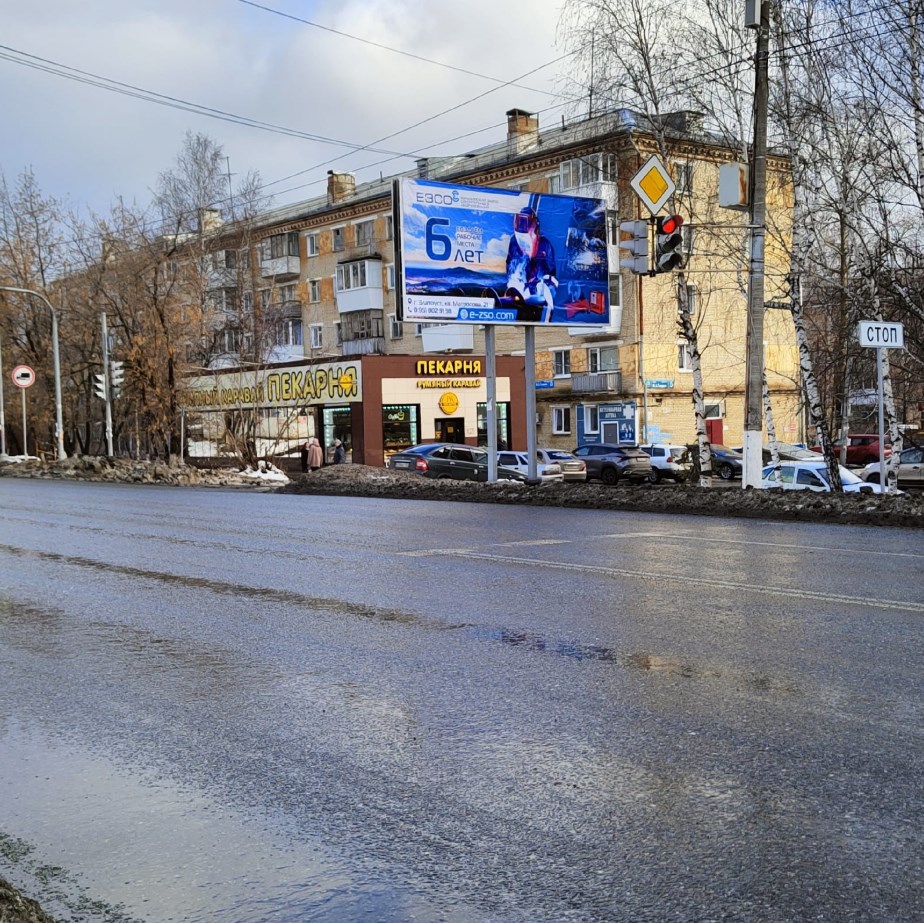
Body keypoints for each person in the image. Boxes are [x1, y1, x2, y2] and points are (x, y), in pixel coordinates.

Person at [505, 206, 558, 322]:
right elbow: (510, 265)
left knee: (547, 292)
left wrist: (544, 282)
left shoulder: (545, 244)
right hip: (523, 284)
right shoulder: (514, 241)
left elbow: (552, 270)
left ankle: (546, 321)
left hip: (540, 284)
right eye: (520, 222)